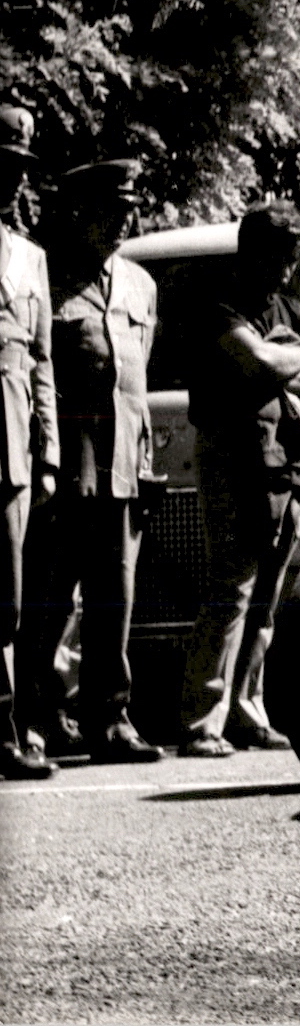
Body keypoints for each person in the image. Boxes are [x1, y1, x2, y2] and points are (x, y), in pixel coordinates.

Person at [177, 200, 300, 757]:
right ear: (250, 252)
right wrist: (296, 357)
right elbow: (261, 365)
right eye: (277, 258)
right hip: (235, 459)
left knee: (268, 594)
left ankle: (248, 710)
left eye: (293, 259)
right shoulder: (217, 305)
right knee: (231, 588)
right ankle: (203, 720)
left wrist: (285, 356)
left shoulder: (292, 310)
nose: (287, 270)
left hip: (291, 463)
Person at [18, 161, 164, 764]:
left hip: (123, 464)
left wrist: (144, 455)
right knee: (48, 599)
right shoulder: (43, 275)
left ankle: (109, 718)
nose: (123, 222)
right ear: (78, 213)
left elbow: (136, 378)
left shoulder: (139, 284)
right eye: (110, 211)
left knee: (114, 599)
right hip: (66, 465)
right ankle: (37, 715)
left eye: (129, 211)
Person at [0, 108, 59, 779]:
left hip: (11, 447)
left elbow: (41, 362)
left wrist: (48, 454)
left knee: (7, 600)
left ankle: (8, 726)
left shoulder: (30, 257)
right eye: (4, 164)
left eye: (19, 167)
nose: (14, 178)